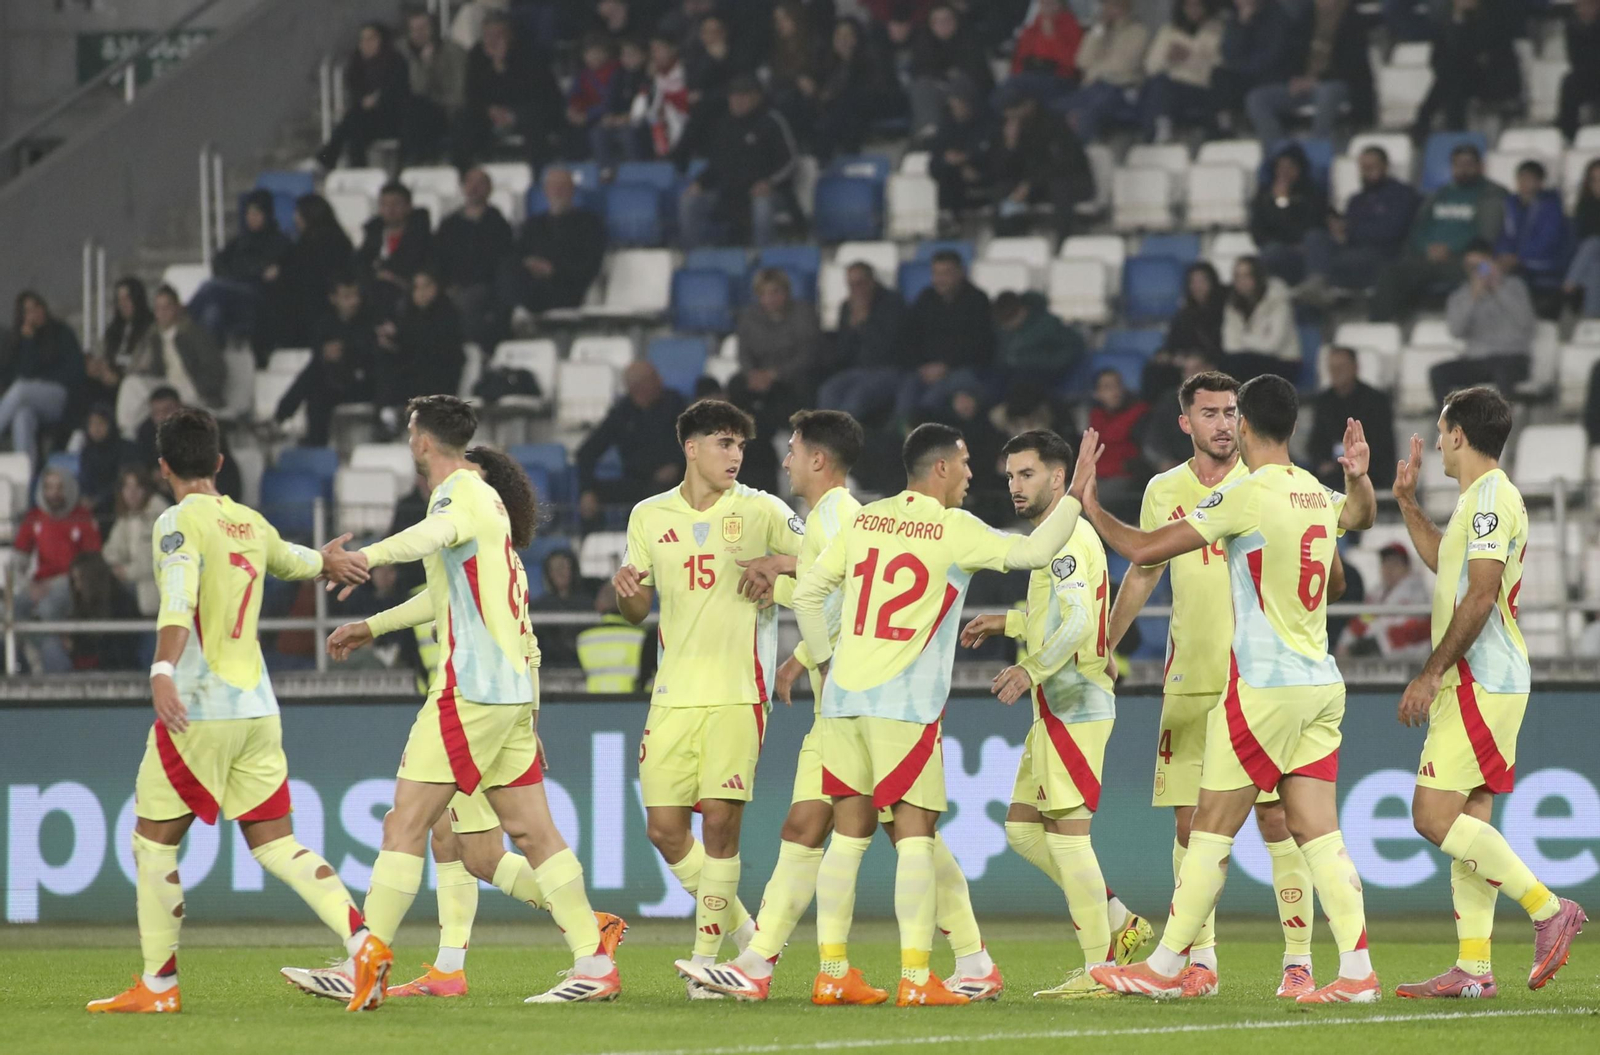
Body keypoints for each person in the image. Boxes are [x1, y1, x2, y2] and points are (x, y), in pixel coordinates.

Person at [713, 423, 1089, 1005]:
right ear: (940, 468)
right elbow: (1035, 550)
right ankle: (918, 978)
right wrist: (1078, 492)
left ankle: (832, 971)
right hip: (905, 708)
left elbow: (809, 592)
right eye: (964, 463)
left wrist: (827, 657)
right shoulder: (953, 527)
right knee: (914, 837)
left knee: (848, 837)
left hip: (842, 704)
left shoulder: (865, 517)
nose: (971, 474)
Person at [283, 397, 624, 1008]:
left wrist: (366, 556)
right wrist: (373, 625)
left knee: (406, 823)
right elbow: (438, 593)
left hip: (469, 691)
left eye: (410, 428)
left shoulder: (457, 494)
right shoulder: (482, 501)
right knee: (528, 832)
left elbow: (429, 537)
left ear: (421, 440)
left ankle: (369, 961)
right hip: (508, 693)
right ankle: (593, 961)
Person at [1085, 373, 1380, 1004]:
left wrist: (1090, 502)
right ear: (1294, 428)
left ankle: (1167, 967)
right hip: (1321, 683)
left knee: (1209, 829)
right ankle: (1356, 974)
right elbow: (1359, 515)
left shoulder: (1247, 492)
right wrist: (1357, 476)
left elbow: (1144, 548)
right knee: (1318, 832)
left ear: (1244, 426)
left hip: (1263, 688)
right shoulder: (1310, 490)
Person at [84, 407, 374, 1014]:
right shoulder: (249, 521)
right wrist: (330, 561)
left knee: (153, 845)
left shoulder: (177, 522)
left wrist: (162, 670)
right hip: (258, 711)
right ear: (218, 461)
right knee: (276, 845)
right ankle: (362, 941)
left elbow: (178, 597)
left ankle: (159, 987)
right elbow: (295, 560)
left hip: (199, 708)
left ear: (164, 467)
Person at [1390, 388, 1588, 998]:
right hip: (1481, 680)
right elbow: (1445, 566)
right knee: (1469, 818)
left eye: (1441, 430)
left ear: (1455, 434)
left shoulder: (1492, 501)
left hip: (1480, 679)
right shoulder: (1477, 501)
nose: (1439, 440)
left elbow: (1480, 596)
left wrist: (1428, 673)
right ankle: (1474, 968)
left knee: (1431, 816)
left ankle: (1548, 909)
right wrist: (1406, 503)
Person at [610, 399, 803, 999]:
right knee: (665, 830)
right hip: (671, 694)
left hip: (738, 692)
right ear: (691, 448)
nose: (736, 455)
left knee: (720, 826)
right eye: (724, 443)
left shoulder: (763, 509)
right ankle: (746, 932)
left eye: (741, 446)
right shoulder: (648, 515)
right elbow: (636, 605)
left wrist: (778, 566)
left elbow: (833, 560)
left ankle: (704, 965)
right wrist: (625, 594)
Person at [957, 430, 1156, 998]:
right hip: (1058, 704)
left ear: (1058, 477)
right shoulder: (1054, 537)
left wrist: (1029, 669)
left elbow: (1076, 626)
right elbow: (1061, 616)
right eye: (1011, 475)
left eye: (1027, 474)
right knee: (1022, 830)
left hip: (1074, 704)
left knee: (1069, 840)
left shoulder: (1067, 538)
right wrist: (1010, 622)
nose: (1015, 485)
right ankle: (1117, 922)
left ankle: (1099, 969)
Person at [1371, 145, 1506, 322]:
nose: (1463, 169)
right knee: (1391, 273)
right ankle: (1384, 330)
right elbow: (1418, 229)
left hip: (1466, 261)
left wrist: (1452, 249)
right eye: (1457, 164)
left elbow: (1488, 233)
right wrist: (1427, 248)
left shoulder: (1492, 194)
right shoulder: (1439, 194)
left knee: (1486, 273)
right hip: (1428, 259)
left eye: (1468, 164)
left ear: (1481, 166)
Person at [678, 76, 799, 250]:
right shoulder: (724, 125)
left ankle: (763, 258)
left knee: (762, 205)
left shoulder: (772, 121)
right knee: (689, 202)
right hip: (729, 194)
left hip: (771, 192)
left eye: (743, 96)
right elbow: (716, 164)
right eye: (733, 96)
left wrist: (770, 183)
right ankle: (692, 259)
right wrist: (700, 183)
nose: (737, 101)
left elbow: (791, 161)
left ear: (756, 97)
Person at [11, 466, 102, 673]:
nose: (54, 493)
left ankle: (50, 667)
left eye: (59, 487)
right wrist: (29, 585)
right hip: (39, 584)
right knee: (14, 608)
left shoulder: (83, 517)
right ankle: (46, 663)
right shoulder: (34, 517)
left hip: (71, 583)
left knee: (46, 611)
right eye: (49, 487)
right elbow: (18, 561)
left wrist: (54, 584)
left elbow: (91, 564)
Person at [575, 361, 687, 527]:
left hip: (675, 481)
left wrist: (676, 463)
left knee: (659, 493)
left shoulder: (674, 403)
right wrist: (587, 490)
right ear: (638, 387)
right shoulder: (622, 413)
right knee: (591, 500)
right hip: (636, 481)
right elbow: (586, 453)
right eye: (653, 377)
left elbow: (696, 440)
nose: (661, 380)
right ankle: (594, 546)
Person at [1245, 0, 1372, 144]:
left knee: (1327, 92)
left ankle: (1317, 147)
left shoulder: (1353, 20)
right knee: (1257, 98)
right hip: (1305, 84)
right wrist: (1293, 78)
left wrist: (1318, 80)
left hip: (1340, 83)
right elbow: (1291, 54)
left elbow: (1353, 66)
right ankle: (1278, 151)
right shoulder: (1305, 18)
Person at [275, 279, 378, 447]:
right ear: (333, 299)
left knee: (314, 372)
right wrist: (326, 355)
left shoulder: (368, 322)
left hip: (362, 383)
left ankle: (281, 415)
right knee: (316, 389)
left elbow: (371, 355)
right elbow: (318, 354)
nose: (353, 301)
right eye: (346, 296)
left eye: (355, 295)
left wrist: (345, 350)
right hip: (334, 383)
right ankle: (315, 442)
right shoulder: (325, 325)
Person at [1304, 145, 1419, 296]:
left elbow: (1392, 231)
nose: (1367, 171)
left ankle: (1321, 287)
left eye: (1372, 166)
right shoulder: (1356, 200)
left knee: (1342, 261)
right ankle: (1316, 284)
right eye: (1363, 167)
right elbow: (1349, 229)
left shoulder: (1402, 195)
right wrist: (1339, 229)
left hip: (1383, 254)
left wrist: (1351, 231)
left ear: (1385, 167)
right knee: (1315, 237)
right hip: (1352, 248)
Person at [453, 14, 563, 169]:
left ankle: (539, 172)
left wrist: (503, 66)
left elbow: (536, 92)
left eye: (498, 35)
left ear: (509, 35)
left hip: (526, 109)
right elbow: (472, 92)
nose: (492, 40)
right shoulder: (477, 55)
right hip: (490, 112)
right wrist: (489, 109)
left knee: (534, 120)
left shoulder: (530, 53)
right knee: (463, 119)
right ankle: (467, 172)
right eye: (488, 35)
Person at [497, 166, 607, 320]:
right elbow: (516, 254)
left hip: (566, 287)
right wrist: (529, 263)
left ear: (572, 191)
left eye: (563, 187)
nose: (558, 192)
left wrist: (552, 270)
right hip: (530, 283)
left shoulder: (589, 224)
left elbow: (589, 265)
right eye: (553, 187)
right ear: (546, 191)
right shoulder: (533, 224)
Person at [898, 251, 993, 421]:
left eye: (946, 273)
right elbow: (910, 336)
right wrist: (921, 365)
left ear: (960, 272)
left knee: (932, 401)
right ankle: (903, 440)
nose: (940, 279)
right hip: (925, 369)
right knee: (906, 396)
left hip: (961, 368)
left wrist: (946, 365)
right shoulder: (926, 298)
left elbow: (979, 344)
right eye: (936, 273)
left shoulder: (977, 300)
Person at [258, 194, 355, 361]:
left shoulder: (314, 244)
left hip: (306, 314)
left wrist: (278, 273)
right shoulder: (334, 240)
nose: (294, 218)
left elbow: (299, 277)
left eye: (297, 213)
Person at [1435, 240, 1535, 402]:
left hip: (1512, 357)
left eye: (1480, 266)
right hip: (1477, 360)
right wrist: (1473, 298)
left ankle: (1504, 423)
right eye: (1471, 267)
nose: (1476, 271)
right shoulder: (1460, 296)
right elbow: (1456, 331)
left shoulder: (1515, 287)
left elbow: (1526, 323)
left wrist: (1497, 288)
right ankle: (1448, 424)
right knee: (1439, 372)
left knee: (1501, 370)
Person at [189, 189, 291, 346]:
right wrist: (241, 273)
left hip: (257, 297)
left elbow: (261, 274)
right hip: (233, 292)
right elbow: (219, 261)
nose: (252, 218)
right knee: (212, 314)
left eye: (257, 213)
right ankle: (209, 363)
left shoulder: (279, 242)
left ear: (267, 214)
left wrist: (239, 273)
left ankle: (184, 319)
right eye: (249, 214)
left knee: (209, 287)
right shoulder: (241, 241)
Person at [119, 285, 225, 434]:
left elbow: (215, 369)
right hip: (167, 385)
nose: (162, 313)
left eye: (167, 307)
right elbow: (138, 366)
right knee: (131, 384)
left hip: (193, 387)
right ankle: (127, 434)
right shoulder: (153, 335)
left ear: (177, 308)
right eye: (158, 308)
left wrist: (205, 391)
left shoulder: (193, 332)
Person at [1410, 0, 1522, 139]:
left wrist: (1462, 24)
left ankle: (1435, 129)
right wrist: (1459, 21)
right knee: (1451, 78)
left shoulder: (1495, 23)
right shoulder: (1446, 25)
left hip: (1490, 80)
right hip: (1458, 81)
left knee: (1452, 78)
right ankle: (1445, 133)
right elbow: (1436, 59)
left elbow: (1489, 57)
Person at [374, 270, 466, 435]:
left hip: (439, 376)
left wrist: (401, 336)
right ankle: (387, 416)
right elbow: (408, 348)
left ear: (436, 288)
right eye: (416, 288)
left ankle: (392, 414)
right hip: (413, 375)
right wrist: (393, 343)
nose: (421, 293)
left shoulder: (448, 314)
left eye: (426, 286)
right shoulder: (408, 314)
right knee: (384, 361)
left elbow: (440, 350)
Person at [991, 92, 1094, 238]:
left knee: (1060, 187)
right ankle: (1005, 239)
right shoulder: (1010, 128)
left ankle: (1063, 241)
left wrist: (1030, 185)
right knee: (1002, 189)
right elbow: (1003, 171)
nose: (1012, 117)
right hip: (1034, 185)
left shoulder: (1054, 124)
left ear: (1028, 105)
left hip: (1069, 180)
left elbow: (1062, 164)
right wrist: (1010, 146)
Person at [817, 261, 909, 423]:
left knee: (857, 397)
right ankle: (827, 439)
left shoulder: (892, 303)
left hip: (888, 369)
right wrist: (851, 329)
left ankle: (844, 442)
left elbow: (889, 348)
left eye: (859, 283)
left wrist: (865, 323)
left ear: (871, 281)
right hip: (857, 370)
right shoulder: (847, 307)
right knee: (828, 390)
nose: (855, 290)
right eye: (851, 285)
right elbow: (842, 352)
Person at [432, 167, 514, 346]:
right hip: (451, 287)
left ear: (489, 189)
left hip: (485, 287)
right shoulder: (448, 225)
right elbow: (438, 259)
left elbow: (500, 262)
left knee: (467, 303)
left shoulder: (498, 224)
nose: (474, 188)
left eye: (480, 183)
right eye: (470, 183)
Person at [0, 290, 84, 462]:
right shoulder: (20, 341)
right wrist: (28, 343)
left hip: (60, 397)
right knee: (22, 416)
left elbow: (74, 372)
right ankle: (26, 474)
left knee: (22, 389)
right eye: (28, 311)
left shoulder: (62, 332)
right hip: (31, 400)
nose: (34, 314)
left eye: (36, 307)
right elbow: (17, 375)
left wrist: (42, 380)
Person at [317, 22, 411, 169]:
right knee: (355, 123)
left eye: (371, 39)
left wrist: (377, 99)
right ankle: (352, 165)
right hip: (366, 119)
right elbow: (356, 94)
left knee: (353, 119)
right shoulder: (356, 66)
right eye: (363, 40)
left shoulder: (396, 62)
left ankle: (329, 156)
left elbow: (398, 90)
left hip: (393, 118)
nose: (366, 44)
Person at [1310, 346, 1396, 491]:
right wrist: (1323, 462)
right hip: (1332, 473)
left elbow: (1381, 445)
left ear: (1355, 367)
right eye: (1332, 368)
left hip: (1369, 471)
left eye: (1341, 367)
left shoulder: (1376, 401)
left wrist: (1345, 463)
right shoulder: (1323, 402)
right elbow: (1316, 441)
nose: (1336, 373)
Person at [1137, 0, 1224, 142]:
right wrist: (1169, 58)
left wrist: (1188, 56)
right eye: (1189, 6)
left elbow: (1217, 64)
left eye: (1198, 5)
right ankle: (1157, 131)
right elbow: (1151, 66)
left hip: (1201, 87)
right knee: (1155, 85)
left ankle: (1158, 131)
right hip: (1170, 83)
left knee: (1160, 89)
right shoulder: (1168, 31)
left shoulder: (1217, 30)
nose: (1193, 10)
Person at [1061, 0, 1148, 141]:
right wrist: (1099, 29)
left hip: (1120, 89)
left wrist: (1095, 69)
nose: (1108, 9)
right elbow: (1082, 60)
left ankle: (1079, 154)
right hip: (1093, 87)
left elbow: (1124, 65)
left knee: (1087, 113)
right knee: (1057, 108)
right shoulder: (1100, 30)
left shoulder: (1138, 31)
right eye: (1106, 5)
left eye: (1113, 5)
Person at [135, 387, 241, 501]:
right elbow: (145, 466)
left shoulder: (202, 426)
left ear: (180, 407)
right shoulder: (146, 432)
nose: (162, 417)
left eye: (167, 410)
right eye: (156, 413)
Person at [906, 3, 993, 139]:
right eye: (937, 21)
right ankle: (929, 135)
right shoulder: (923, 45)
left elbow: (980, 76)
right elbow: (919, 72)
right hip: (938, 94)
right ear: (931, 25)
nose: (943, 25)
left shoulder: (971, 41)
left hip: (970, 97)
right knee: (923, 87)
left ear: (956, 21)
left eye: (947, 20)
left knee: (959, 82)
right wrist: (946, 83)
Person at [1494, 160, 1571, 307]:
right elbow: (1505, 235)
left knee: (1511, 279)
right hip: (1512, 262)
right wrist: (1503, 254)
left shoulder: (1552, 207)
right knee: (1482, 269)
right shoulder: (1510, 205)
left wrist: (1518, 257)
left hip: (1541, 263)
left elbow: (1547, 241)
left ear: (1540, 182)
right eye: (1521, 178)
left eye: (1529, 179)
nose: (1524, 183)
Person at [1250, 143, 1330, 284]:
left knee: (1315, 239)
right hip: (1279, 251)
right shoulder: (1264, 196)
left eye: (1290, 167)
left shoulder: (1312, 194)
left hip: (1307, 252)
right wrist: (1281, 202)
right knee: (1270, 252)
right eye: (1281, 167)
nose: (1284, 172)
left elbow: (1312, 225)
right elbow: (1258, 232)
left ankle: (1314, 286)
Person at [733, 268, 822, 394]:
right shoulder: (749, 317)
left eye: (775, 292)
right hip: (759, 375)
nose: (770, 299)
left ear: (786, 291)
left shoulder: (804, 313)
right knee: (735, 384)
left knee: (801, 385)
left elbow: (808, 355)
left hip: (792, 375)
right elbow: (743, 353)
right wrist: (752, 373)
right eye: (763, 294)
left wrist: (775, 374)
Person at [1337, 543, 1430, 660]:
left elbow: (1409, 629)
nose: (1389, 569)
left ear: (1407, 567)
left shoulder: (1417, 594)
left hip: (1410, 660)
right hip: (1373, 656)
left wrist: (1374, 639)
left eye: (1395, 564)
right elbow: (1361, 621)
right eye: (1385, 564)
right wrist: (1346, 642)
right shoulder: (1376, 593)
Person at [400, 6, 467, 163]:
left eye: (424, 28)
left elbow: (459, 95)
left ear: (434, 29)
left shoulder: (454, 52)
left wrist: (428, 66)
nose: (419, 34)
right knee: (413, 111)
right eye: (414, 29)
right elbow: (417, 91)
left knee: (417, 112)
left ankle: (411, 163)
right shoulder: (408, 56)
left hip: (451, 114)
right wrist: (424, 65)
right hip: (421, 114)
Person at [102, 465, 170, 618]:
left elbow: (158, 560)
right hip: (130, 587)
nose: (131, 494)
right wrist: (116, 568)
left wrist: (127, 571)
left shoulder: (161, 515)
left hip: (156, 592)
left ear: (146, 489)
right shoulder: (126, 517)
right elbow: (110, 550)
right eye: (127, 487)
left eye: (137, 487)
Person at [357, 182, 433, 314]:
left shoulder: (422, 237)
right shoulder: (373, 235)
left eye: (396, 204)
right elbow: (360, 264)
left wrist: (394, 278)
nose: (390, 209)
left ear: (408, 207)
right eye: (384, 204)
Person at [1220, 256, 1299, 382]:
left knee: (1240, 365)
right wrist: (1254, 342)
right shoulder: (1232, 305)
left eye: (1246, 276)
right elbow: (1229, 346)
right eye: (1238, 276)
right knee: (1227, 364)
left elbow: (1273, 346)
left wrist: (1243, 339)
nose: (1241, 281)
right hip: (1246, 361)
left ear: (1257, 276)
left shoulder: (1278, 300)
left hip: (1283, 361)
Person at [927, 73, 996, 215]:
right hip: (956, 184)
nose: (955, 106)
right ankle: (949, 222)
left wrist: (967, 158)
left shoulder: (989, 124)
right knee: (947, 178)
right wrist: (951, 162)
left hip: (989, 180)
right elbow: (934, 166)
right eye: (953, 102)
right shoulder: (946, 127)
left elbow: (993, 154)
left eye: (959, 102)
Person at [1211, 0, 1295, 116]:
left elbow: (1274, 55)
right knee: (1219, 74)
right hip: (1243, 71)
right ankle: (1224, 123)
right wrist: (1242, 25)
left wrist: (1241, 66)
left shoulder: (1277, 15)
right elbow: (1228, 52)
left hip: (1270, 74)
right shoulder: (1236, 17)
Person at [87, 278, 154, 420]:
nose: (122, 304)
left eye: (127, 298)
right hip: (107, 379)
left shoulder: (150, 328)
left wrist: (119, 377)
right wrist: (99, 367)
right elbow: (100, 353)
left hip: (132, 380)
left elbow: (146, 363)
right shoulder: (113, 330)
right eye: (119, 299)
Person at [997, 0, 1084, 109]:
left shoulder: (1070, 26)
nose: (1047, 7)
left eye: (1051, 4)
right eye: (1044, 4)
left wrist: (1052, 36)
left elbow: (1073, 62)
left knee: (1014, 87)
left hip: (1058, 77)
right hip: (1031, 74)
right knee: (1007, 91)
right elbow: (1020, 58)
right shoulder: (1033, 27)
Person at [66, 551, 143, 671]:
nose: (77, 587)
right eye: (74, 581)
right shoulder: (80, 603)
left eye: (80, 580)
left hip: (119, 669)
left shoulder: (121, 603)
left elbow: (119, 648)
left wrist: (75, 646)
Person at [993, 290, 1085, 387]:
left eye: (1009, 320)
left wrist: (1050, 364)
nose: (1007, 326)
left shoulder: (1048, 325)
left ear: (1021, 311)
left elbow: (1074, 345)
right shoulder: (1007, 332)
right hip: (1015, 379)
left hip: (1043, 378)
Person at [591, 36, 651, 174]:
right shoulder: (618, 75)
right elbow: (610, 100)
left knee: (628, 134)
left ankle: (635, 171)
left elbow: (647, 103)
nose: (627, 58)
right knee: (598, 132)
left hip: (640, 121)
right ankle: (605, 172)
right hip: (618, 120)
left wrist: (628, 118)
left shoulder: (647, 76)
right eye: (624, 54)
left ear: (643, 55)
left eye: (632, 54)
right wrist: (609, 116)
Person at [576, 582, 646, 692]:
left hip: (593, 705)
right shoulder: (641, 637)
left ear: (599, 605)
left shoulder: (584, 639)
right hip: (633, 705)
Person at [633, 35, 692, 161]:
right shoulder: (653, 75)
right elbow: (640, 107)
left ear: (672, 50)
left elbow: (686, 97)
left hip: (683, 115)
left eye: (659, 49)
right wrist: (649, 80)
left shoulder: (684, 69)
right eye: (653, 50)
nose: (655, 54)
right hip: (659, 121)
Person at [78, 403, 141, 520]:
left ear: (110, 425)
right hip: (93, 507)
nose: (96, 428)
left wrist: (98, 500)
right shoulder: (87, 451)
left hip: (119, 504)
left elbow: (122, 481)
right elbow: (84, 480)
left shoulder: (126, 448)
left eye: (101, 423)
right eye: (92, 424)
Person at [531, 549, 592, 667]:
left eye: (563, 566)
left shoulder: (587, 605)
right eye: (554, 568)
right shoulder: (539, 607)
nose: (560, 572)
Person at [564, 34, 620, 158]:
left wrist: (587, 115)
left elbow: (610, 103)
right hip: (587, 116)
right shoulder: (583, 75)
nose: (594, 57)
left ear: (606, 54)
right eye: (590, 53)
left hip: (607, 116)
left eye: (598, 53)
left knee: (597, 133)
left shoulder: (616, 72)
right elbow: (573, 97)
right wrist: (572, 111)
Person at [1164, 262, 1226, 359]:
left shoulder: (1225, 311)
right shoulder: (1183, 315)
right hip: (1187, 362)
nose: (1197, 286)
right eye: (1193, 282)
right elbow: (1172, 345)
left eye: (1202, 281)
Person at [1559, 0, 1600, 143]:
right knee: (1569, 84)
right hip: (1583, 75)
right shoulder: (1572, 26)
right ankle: (1568, 136)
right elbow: (1574, 58)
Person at [1563, 160, 1600, 316]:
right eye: (1595, 180)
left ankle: (1570, 283)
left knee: (1592, 244)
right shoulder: (1585, 207)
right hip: (1593, 260)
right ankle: (1591, 321)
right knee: (1595, 270)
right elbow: (1576, 241)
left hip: (1589, 253)